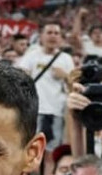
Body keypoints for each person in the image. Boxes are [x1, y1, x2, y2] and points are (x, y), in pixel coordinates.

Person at [16, 22, 75, 155]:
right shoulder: (32, 55)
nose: (52, 36)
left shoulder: (66, 59)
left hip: (57, 112)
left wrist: (65, 76)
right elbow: (20, 78)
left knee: (51, 153)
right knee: (31, 152)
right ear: (41, 36)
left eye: (56, 33)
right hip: (36, 110)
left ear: (61, 38)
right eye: (49, 33)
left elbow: (74, 87)